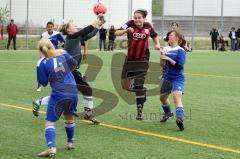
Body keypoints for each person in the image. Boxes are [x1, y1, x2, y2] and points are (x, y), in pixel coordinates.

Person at [33, 15, 105, 124]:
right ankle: (88, 114)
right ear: (68, 29)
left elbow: (90, 33)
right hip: (69, 70)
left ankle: (39, 102)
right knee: (84, 90)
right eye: (73, 25)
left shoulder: (76, 37)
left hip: (71, 70)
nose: (75, 25)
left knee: (65, 93)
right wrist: (95, 21)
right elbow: (86, 29)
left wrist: (99, 25)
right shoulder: (70, 38)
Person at [115, 9, 160, 120]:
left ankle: (139, 110)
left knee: (138, 85)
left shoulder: (148, 26)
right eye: (135, 17)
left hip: (142, 60)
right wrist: (126, 31)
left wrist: (157, 44)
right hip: (129, 60)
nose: (136, 20)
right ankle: (142, 92)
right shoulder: (129, 24)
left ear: (144, 18)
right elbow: (116, 32)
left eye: (139, 18)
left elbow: (154, 35)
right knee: (125, 86)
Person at [36, 38, 78, 157]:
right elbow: (74, 64)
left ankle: (51, 148)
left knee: (49, 122)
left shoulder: (41, 62)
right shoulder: (63, 53)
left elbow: (43, 82)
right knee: (69, 116)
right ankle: (70, 142)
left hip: (59, 93)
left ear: (40, 50)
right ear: (52, 46)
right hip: (73, 91)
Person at [159, 30, 186, 131]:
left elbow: (179, 66)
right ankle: (168, 113)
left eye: (171, 35)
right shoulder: (165, 49)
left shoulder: (181, 50)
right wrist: (162, 57)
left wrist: (168, 59)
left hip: (177, 78)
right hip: (167, 77)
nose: (168, 37)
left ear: (177, 38)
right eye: (168, 35)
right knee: (162, 98)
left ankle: (179, 119)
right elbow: (162, 64)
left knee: (176, 98)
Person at [37, 21, 65, 92]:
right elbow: (40, 45)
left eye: (51, 27)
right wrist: (41, 56)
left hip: (54, 54)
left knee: (59, 68)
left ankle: (59, 84)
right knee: (41, 69)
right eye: (48, 27)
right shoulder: (43, 35)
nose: (49, 28)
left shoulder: (57, 34)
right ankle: (39, 85)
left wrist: (62, 47)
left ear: (53, 27)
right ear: (46, 28)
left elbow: (63, 42)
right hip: (45, 54)